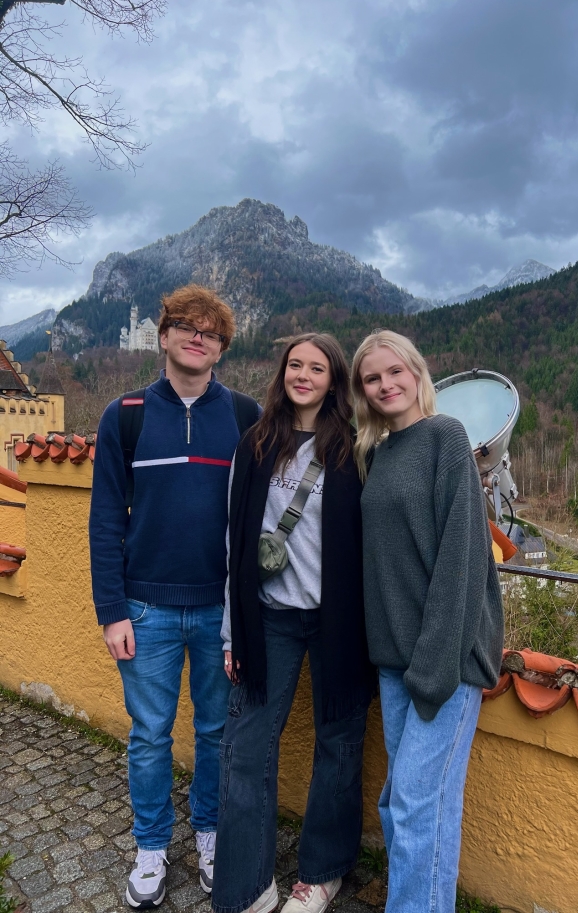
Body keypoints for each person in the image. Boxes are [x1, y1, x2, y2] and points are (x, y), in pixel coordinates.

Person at [90, 285, 258, 909]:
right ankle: (152, 846)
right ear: (162, 336)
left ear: (221, 348)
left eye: (211, 332)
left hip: (220, 610)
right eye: (186, 327)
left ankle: (211, 836)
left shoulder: (244, 416)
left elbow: (264, 516)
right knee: (150, 734)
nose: (198, 337)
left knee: (216, 733)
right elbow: (105, 520)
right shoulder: (124, 414)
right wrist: (111, 612)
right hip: (145, 609)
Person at [213, 332, 375, 913]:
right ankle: (246, 887)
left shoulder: (354, 449)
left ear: (335, 379)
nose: (302, 374)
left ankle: (322, 872)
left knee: (338, 741)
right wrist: (233, 632)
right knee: (246, 748)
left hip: (338, 622)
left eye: (317, 367)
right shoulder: (255, 444)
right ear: (282, 372)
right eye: (294, 365)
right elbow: (234, 544)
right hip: (270, 619)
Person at [350, 330, 504, 913]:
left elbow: (463, 560)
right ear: (363, 392)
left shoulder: (446, 437)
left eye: (396, 372)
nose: (386, 384)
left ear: (417, 374)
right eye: (372, 378)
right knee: (406, 804)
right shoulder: (377, 453)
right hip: (395, 661)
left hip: (445, 660)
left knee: (417, 804)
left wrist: (435, 670)